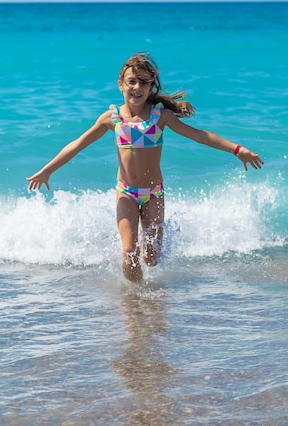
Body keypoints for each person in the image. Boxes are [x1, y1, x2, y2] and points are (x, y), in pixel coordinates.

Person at [27, 53, 264, 283]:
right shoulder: (112, 118)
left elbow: (200, 136)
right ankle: (137, 302)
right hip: (126, 193)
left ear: (151, 88)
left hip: (154, 194)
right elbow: (77, 145)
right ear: (121, 84)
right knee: (129, 250)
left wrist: (236, 150)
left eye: (144, 83)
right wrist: (48, 170)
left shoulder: (160, 117)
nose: (137, 87)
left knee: (151, 258)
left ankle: (150, 297)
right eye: (132, 81)